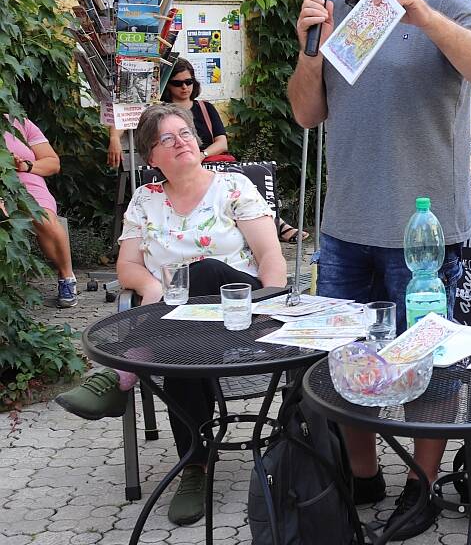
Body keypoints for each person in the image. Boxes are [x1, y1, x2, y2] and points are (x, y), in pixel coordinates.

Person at [288, 0, 471, 539]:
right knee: (349, 358)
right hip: (345, 226)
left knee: (426, 363)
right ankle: (364, 476)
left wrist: (428, 21)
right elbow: (306, 113)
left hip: (423, 233)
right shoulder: (333, 11)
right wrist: (310, 46)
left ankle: (423, 485)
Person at [56, 103, 287, 527]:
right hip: (180, 326)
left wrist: (269, 305)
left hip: (242, 313)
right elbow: (127, 266)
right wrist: (152, 288)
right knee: (181, 352)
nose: (181, 142)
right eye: (167, 139)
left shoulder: (233, 187)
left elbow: (271, 255)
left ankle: (122, 370)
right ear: (151, 156)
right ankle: (194, 467)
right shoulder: (145, 199)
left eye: (185, 133)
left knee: (206, 270)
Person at [108, 58, 307, 243]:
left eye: (189, 81)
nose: (185, 87)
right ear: (167, 85)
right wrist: (114, 138)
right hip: (178, 167)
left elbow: (222, 142)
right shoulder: (161, 112)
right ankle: (276, 224)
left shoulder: (205, 108)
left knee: (247, 177)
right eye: (178, 83)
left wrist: (201, 155)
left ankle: (272, 221)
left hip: (209, 162)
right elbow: (127, 115)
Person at [3, 115, 79, 307]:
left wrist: (25, 165)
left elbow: (53, 163)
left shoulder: (19, 121)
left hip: (28, 182)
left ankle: (66, 276)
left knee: (44, 219)